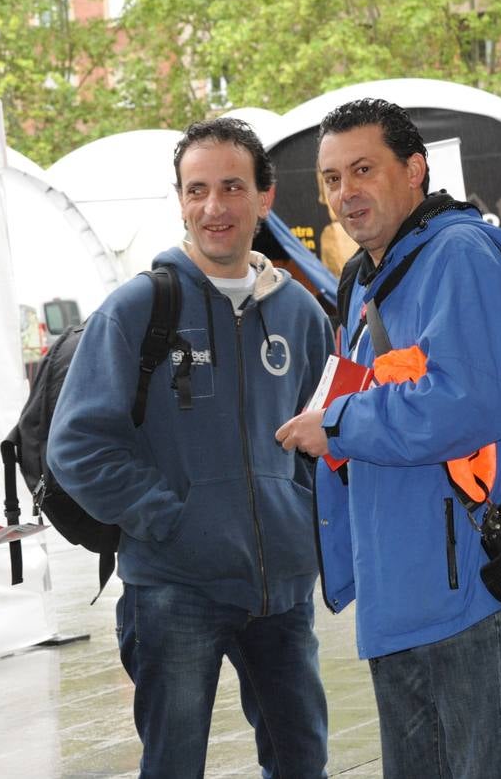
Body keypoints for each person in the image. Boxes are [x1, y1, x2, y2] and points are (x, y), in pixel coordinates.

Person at [48, 118, 334, 779]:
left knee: (303, 762)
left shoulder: (303, 316)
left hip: (282, 596)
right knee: (174, 767)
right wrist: (169, 518)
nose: (214, 206)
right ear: (179, 200)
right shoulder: (138, 309)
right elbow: (77, 446)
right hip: (175, 592)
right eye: (196, 189)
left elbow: (327, 433)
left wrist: (303, 526)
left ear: (265, 198)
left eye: (232, 187)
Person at [276, 98, 501, 779]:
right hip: (397, 598)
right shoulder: (365, 280)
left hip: (470, 592)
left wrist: (336, 424)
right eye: (332, 179)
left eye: (363, 169)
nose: (345, 193)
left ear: (415, 169)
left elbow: (469, 402)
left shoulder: (458, 253)